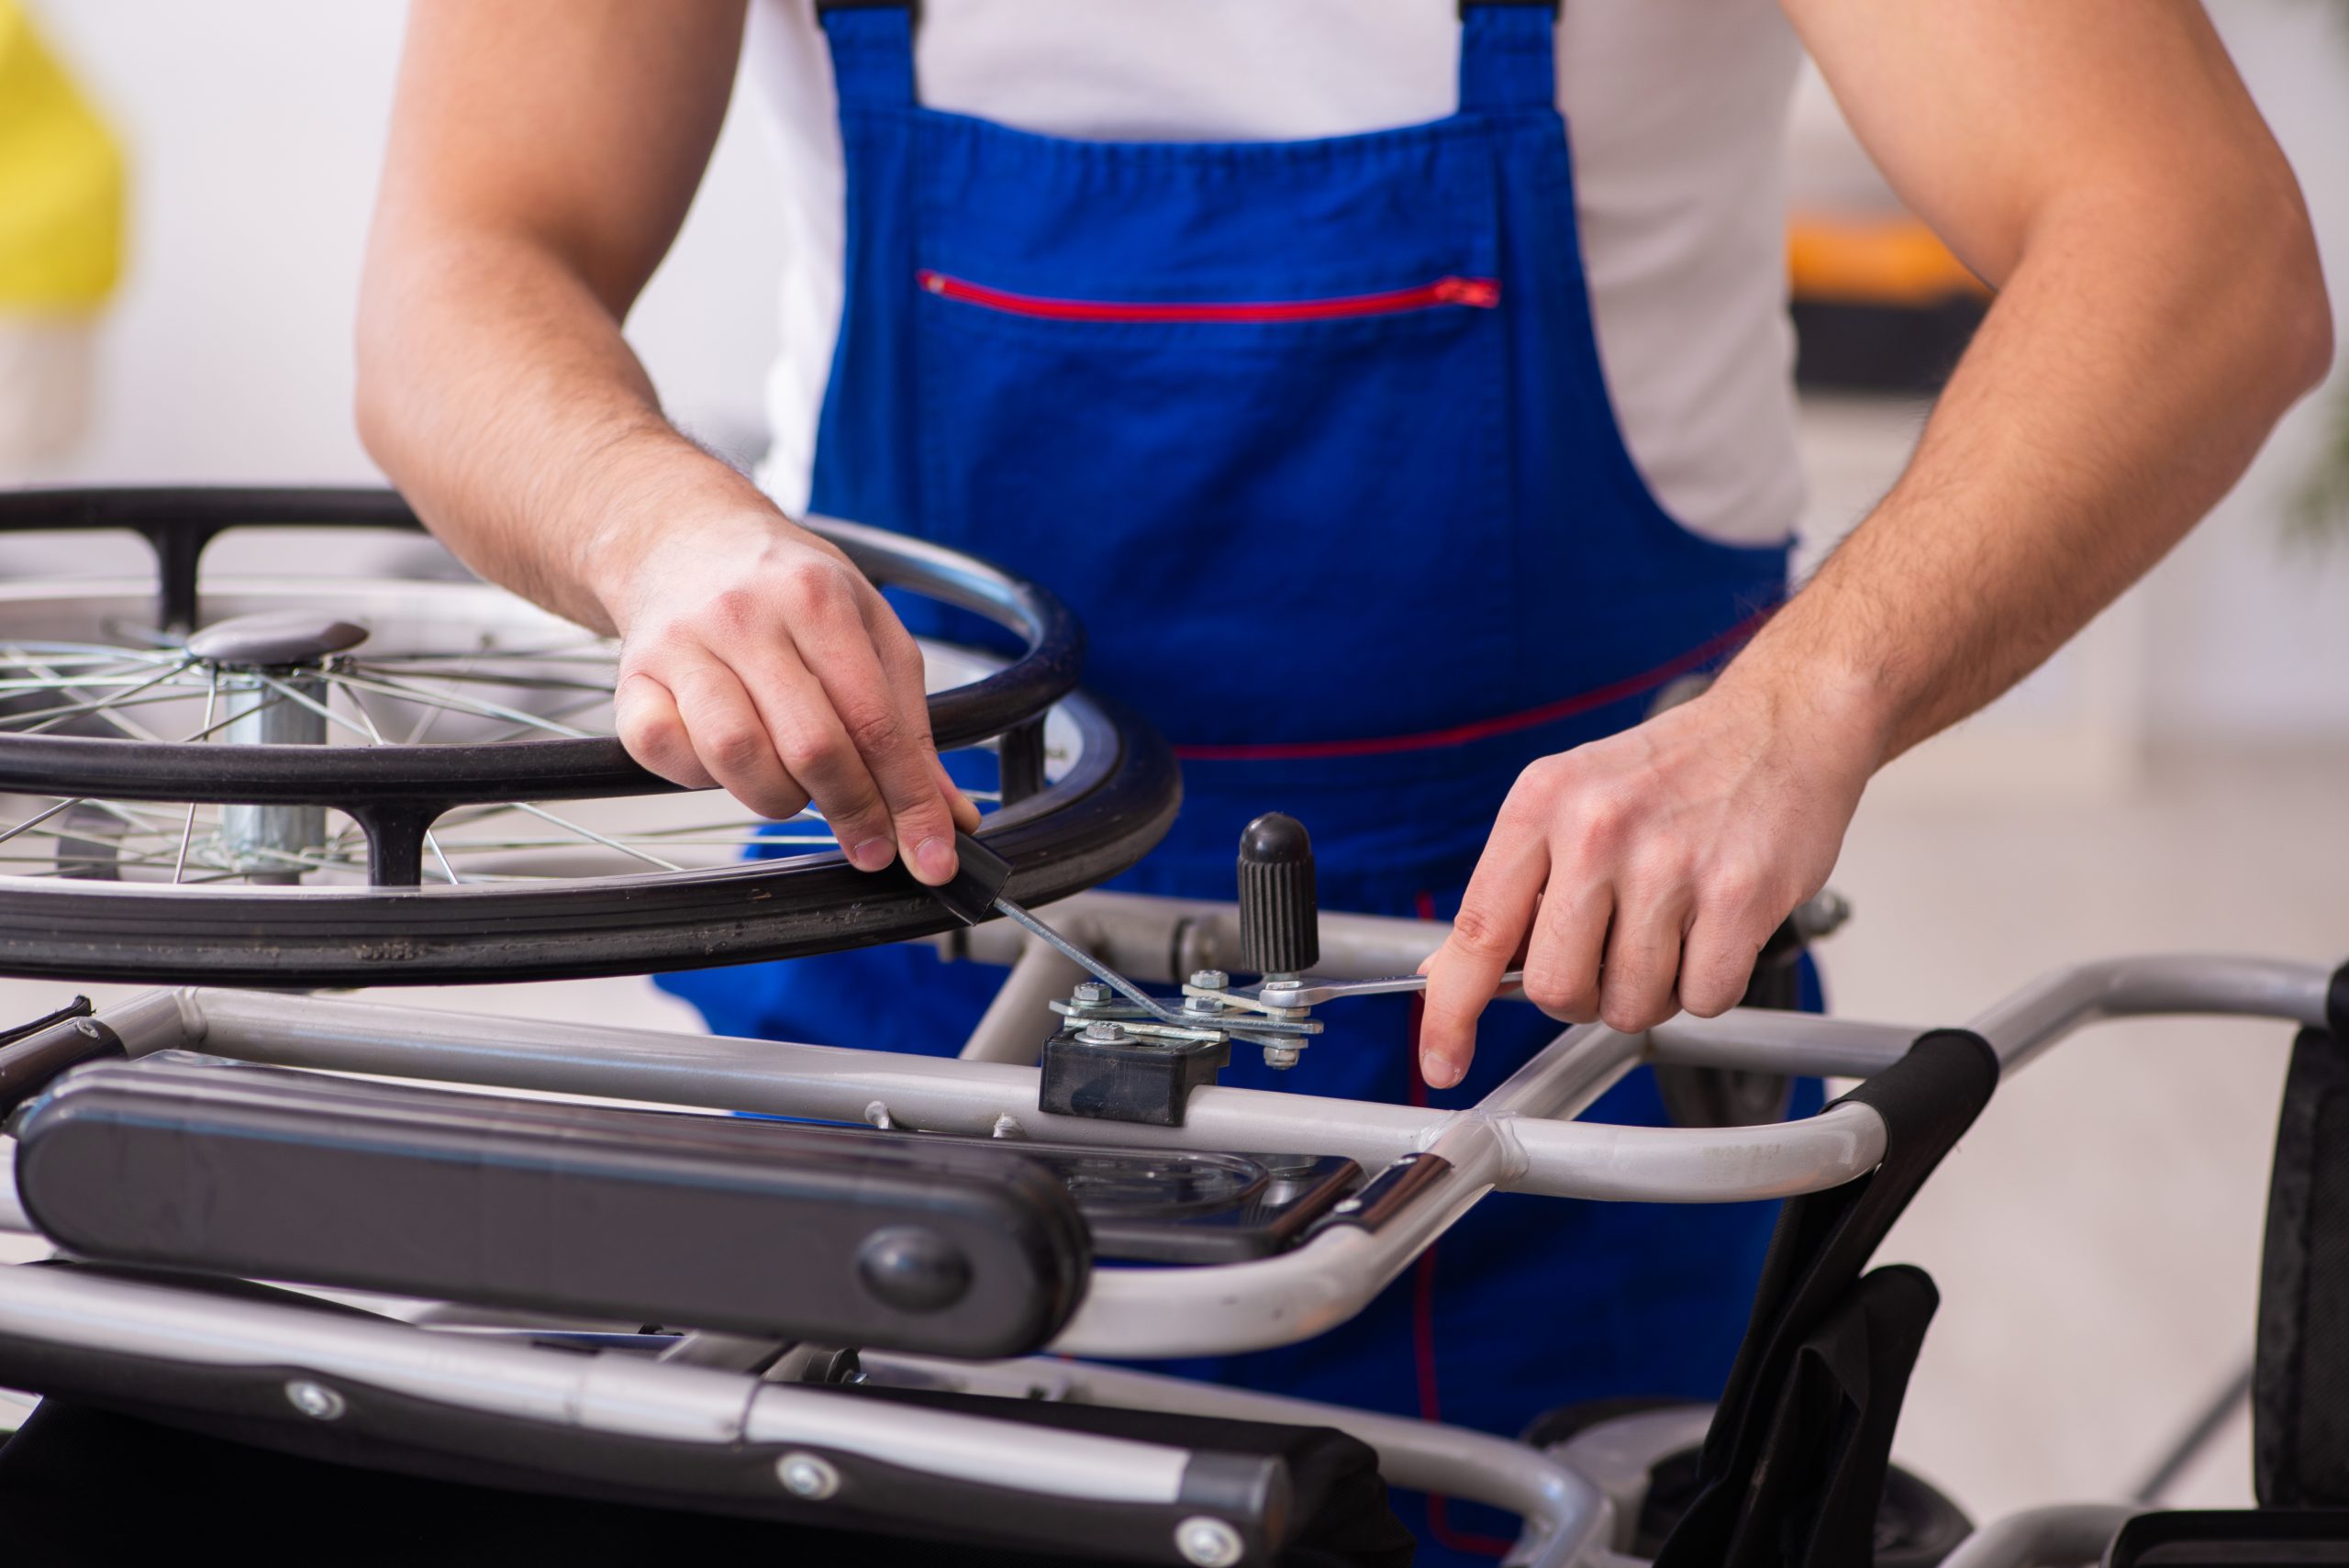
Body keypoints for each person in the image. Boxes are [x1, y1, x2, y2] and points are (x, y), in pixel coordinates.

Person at [356, 2, 2329, 1559]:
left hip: (1534, 1042)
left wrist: (1790, 708)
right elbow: (460, 260)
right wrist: (653, 530)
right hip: (887, 1003)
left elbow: (2189, 247)